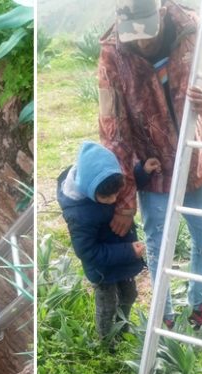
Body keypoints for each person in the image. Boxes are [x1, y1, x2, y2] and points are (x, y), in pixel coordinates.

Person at [98, 0, 202, 335]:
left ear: (163, 10)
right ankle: (164, 316)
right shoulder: (112, 54)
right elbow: (114, 134)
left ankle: (197, 306)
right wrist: (125, 201)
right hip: (152, 170)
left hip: (194, 161)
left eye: (147, 31)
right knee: (157, 246)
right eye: (133, 35)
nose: (141, 42)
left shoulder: (193, 28)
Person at [57, 141, 148, 344]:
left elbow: (127, 186)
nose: (114, 199)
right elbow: (87, 251)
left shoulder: (105, 183)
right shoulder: (80, 215)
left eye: (116, 193)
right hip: (102, 269)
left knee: (130, 294)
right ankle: (107, 340)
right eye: (106, 197)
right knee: (108, 305)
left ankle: (123, 326)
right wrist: (128, 252)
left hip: (122, 257)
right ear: (88, 188)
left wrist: (143, 172)